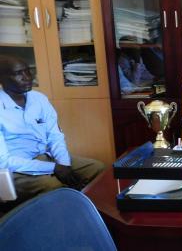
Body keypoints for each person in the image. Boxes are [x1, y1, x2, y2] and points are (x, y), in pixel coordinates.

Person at [0, 55, 105, 205]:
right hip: (16, 169)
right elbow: (4, 162)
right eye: (18, 73)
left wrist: (64, 164)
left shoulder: (38, 98)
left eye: (28, 71)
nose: (27, 77)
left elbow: (55, 135)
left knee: (98, 169)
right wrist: (54, 168)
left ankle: (91, 217)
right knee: (55, 187)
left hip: (46, 156)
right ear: (2, 79)